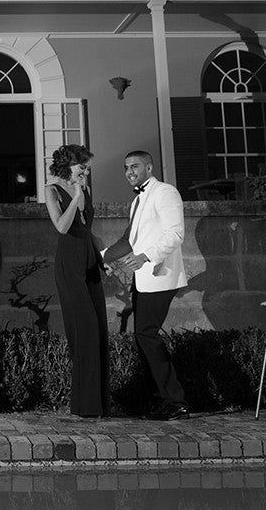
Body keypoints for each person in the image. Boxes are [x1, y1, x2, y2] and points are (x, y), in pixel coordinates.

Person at [104, 150, 189, 420]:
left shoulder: (165, 192)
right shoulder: (138, 200)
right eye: (126, 166)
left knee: (147, 335)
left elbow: (175, 234)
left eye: (135, 166)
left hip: (160, 275)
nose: (130, 171)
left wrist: (145, 256)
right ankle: (161, 400)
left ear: (149, 167)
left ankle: (176, 403)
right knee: (144, 338)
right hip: (144, 280)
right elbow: (128, 240)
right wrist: (100, 257)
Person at [43, 145, 110, 418]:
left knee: (99, 328)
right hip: (69, 263)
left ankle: (99, 404)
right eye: (82, 167)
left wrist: (99, 258)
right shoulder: (52, 190)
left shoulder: (86, 190)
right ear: (68, 164)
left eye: (88, 168)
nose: (86, 172)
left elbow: (86, 228)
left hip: (89, 261)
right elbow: (62, 226)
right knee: (85, 328)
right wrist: (76, 195)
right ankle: (84, 405)